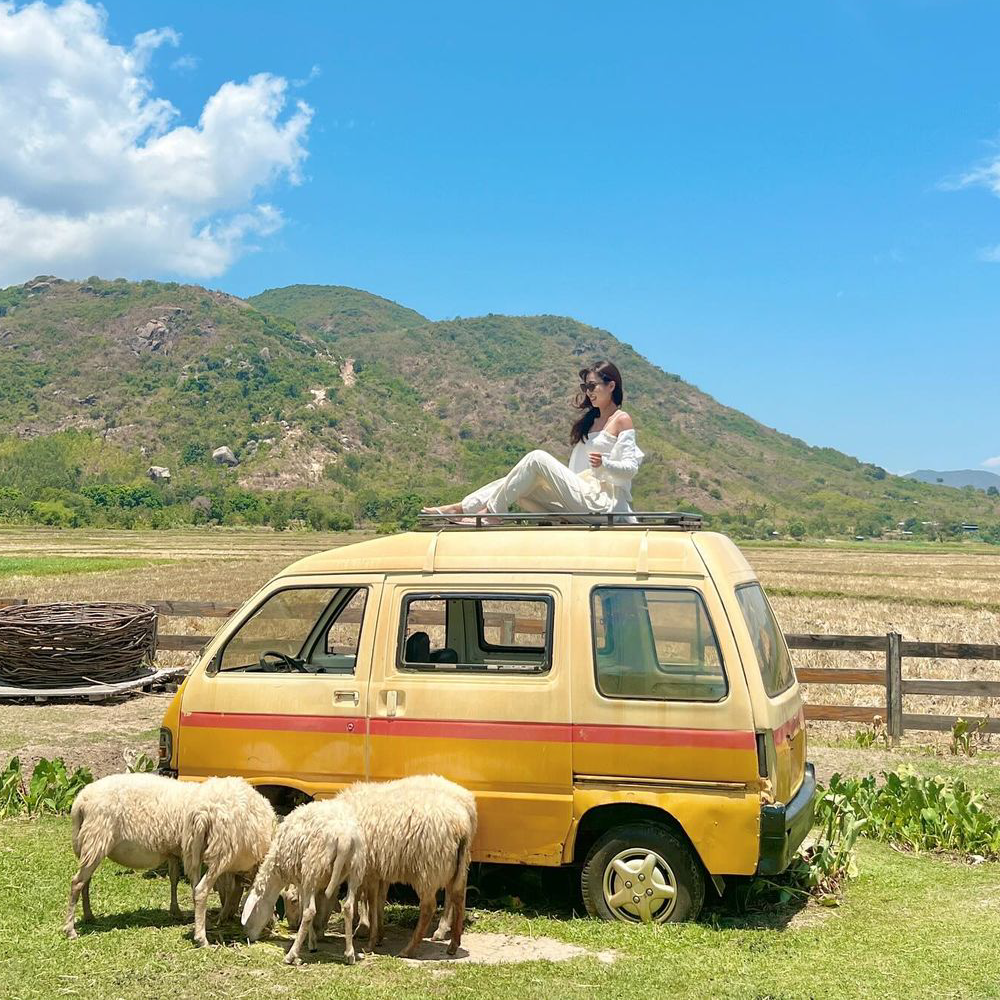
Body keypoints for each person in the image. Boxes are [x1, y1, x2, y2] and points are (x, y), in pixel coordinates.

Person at [423, 360, 644, 522]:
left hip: (602, 504)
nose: (589, 392)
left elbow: (630, 469)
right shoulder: (590, 421)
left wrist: (605, 465)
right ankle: (463, 508)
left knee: (536, 458)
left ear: (611, 386)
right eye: (585, 387)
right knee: (517, 479)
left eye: (592, 386)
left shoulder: (621, 420)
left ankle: (490, 514)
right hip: (580, 499)